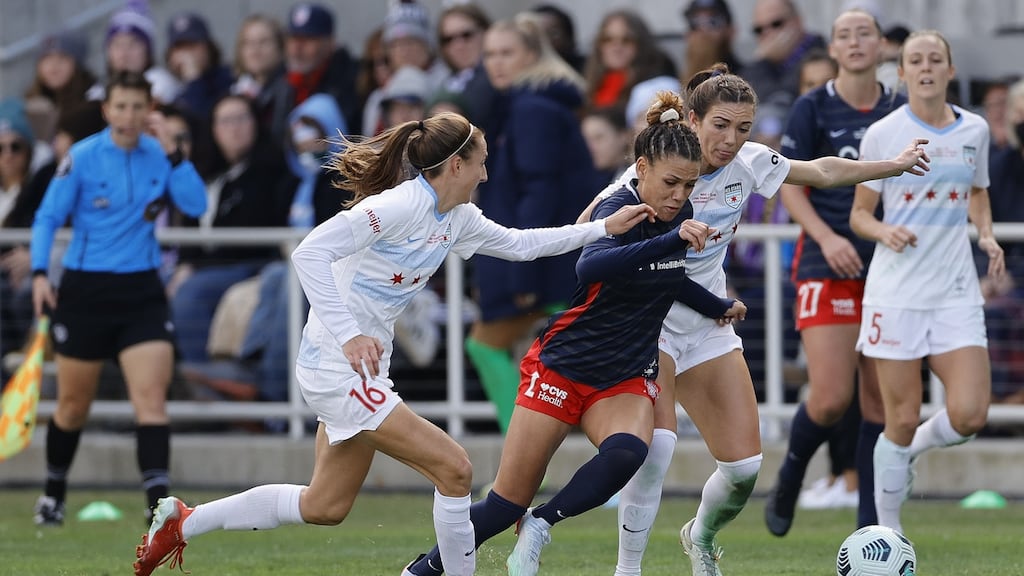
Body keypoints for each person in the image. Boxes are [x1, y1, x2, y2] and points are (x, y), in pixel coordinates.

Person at [130, 111, 657, 576]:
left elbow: (522, 246)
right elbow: (309, 253)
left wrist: (601, 228)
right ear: (456, 166)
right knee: (455, 469)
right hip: (336, 367)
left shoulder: (459, 218)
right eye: (482, 162)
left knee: (325, 504)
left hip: (362, 371)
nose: (487, 172)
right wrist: (349, 334)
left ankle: (184, 522)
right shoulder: (400, 205)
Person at [596, 64, 928, 576]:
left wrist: (894, 165)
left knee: (743, 470)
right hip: (652, 321)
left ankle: (700, 536)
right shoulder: (656, 169)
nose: (731, 140)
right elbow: (592, 226)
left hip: (709, 325)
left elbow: (821, 171)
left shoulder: (749, 163)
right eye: (721, 125)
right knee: (657, 447)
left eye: (744, 128)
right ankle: (627, 570)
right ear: (691, 120)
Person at [403, 90, 746, 576]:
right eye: (670, 182)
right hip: (563, 367)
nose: (679, 196)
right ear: (642, 167)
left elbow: (670, 278)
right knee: (504, 503)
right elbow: (592, 265)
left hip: (622, 375)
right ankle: (423, 570)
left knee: (630, 451)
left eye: (688, 186)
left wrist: (719, 305)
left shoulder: (677, 217)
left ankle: (543, 522)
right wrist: (671, 238)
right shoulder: (619, 204)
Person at [29, 71, 207, 526]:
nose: (129, 116)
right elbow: (48, 217)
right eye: (120, 107)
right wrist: (38, 273)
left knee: (151, 400)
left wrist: (172, 149)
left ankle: (160, 509)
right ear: (107, 110)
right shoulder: (83, 157)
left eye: (137, 107)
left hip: (141, 291)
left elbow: (197, 203)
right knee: (72, 405)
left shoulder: (159, 154)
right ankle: (52, 496)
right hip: (86, 290)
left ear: (150, 110)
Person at [850, 30, 1003, 536]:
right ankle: (890, 540)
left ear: (950, 70)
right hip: (896, 294)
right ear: (903, 72)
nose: (926, 67)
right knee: (899, 416)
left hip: (955, 290)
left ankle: (908, 453)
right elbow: (860, 215)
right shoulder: (883, 134)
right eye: (916, 60)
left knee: (970, 414)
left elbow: (977, 192)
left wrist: (985, 236)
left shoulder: (974, 130)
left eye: (936, 59)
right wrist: (883, 230)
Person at [765, 8, 907, 535]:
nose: (853, 42)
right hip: (827, 260)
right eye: (843, 34)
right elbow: (791, 182)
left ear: (880, 45)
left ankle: (872, 524)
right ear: (834, 46)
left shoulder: (900, 107)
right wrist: (826, 236)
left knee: (879, 400)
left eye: (863, 33)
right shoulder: (813, 106)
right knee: (829, 397)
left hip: (890, 264)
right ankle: (792, 472)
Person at [466, 13, 597, 436]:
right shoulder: (531, 106)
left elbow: (537, 193)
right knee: (576, 370)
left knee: (485, 345)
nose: (496, 62)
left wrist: (523, 268)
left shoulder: (530, 109)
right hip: (556, 258)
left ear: (532, 54)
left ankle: (516, 461)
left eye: (507, 53)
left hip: (543, 261)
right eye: (490, 54)